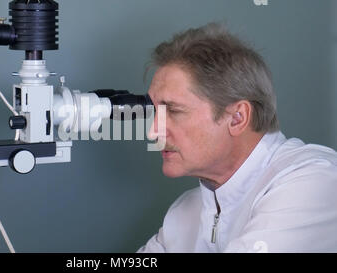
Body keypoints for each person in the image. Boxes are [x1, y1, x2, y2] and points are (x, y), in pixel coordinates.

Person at [138, 22, 337, 252]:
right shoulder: (184, 213)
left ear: (237, 118)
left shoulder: (315, 181)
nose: (153, 131)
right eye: (155, 111)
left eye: (173, 110)